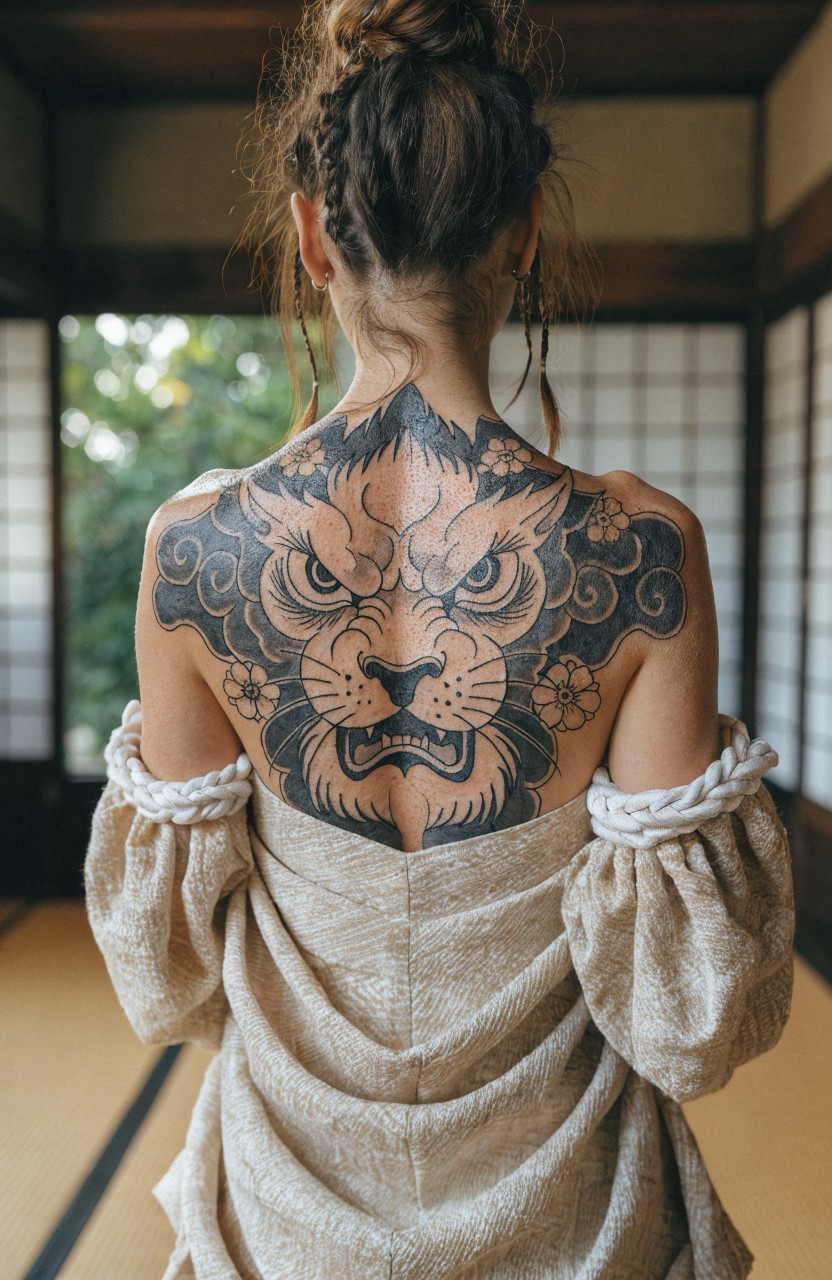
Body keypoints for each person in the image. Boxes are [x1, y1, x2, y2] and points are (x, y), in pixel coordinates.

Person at [83, 1, 796, 1276]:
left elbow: (171, 977)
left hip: (290, 1216)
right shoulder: (637, 553)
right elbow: (684, 1018)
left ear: (312, 234)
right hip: (576, 1217)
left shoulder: (195, 554)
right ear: (525, 227)